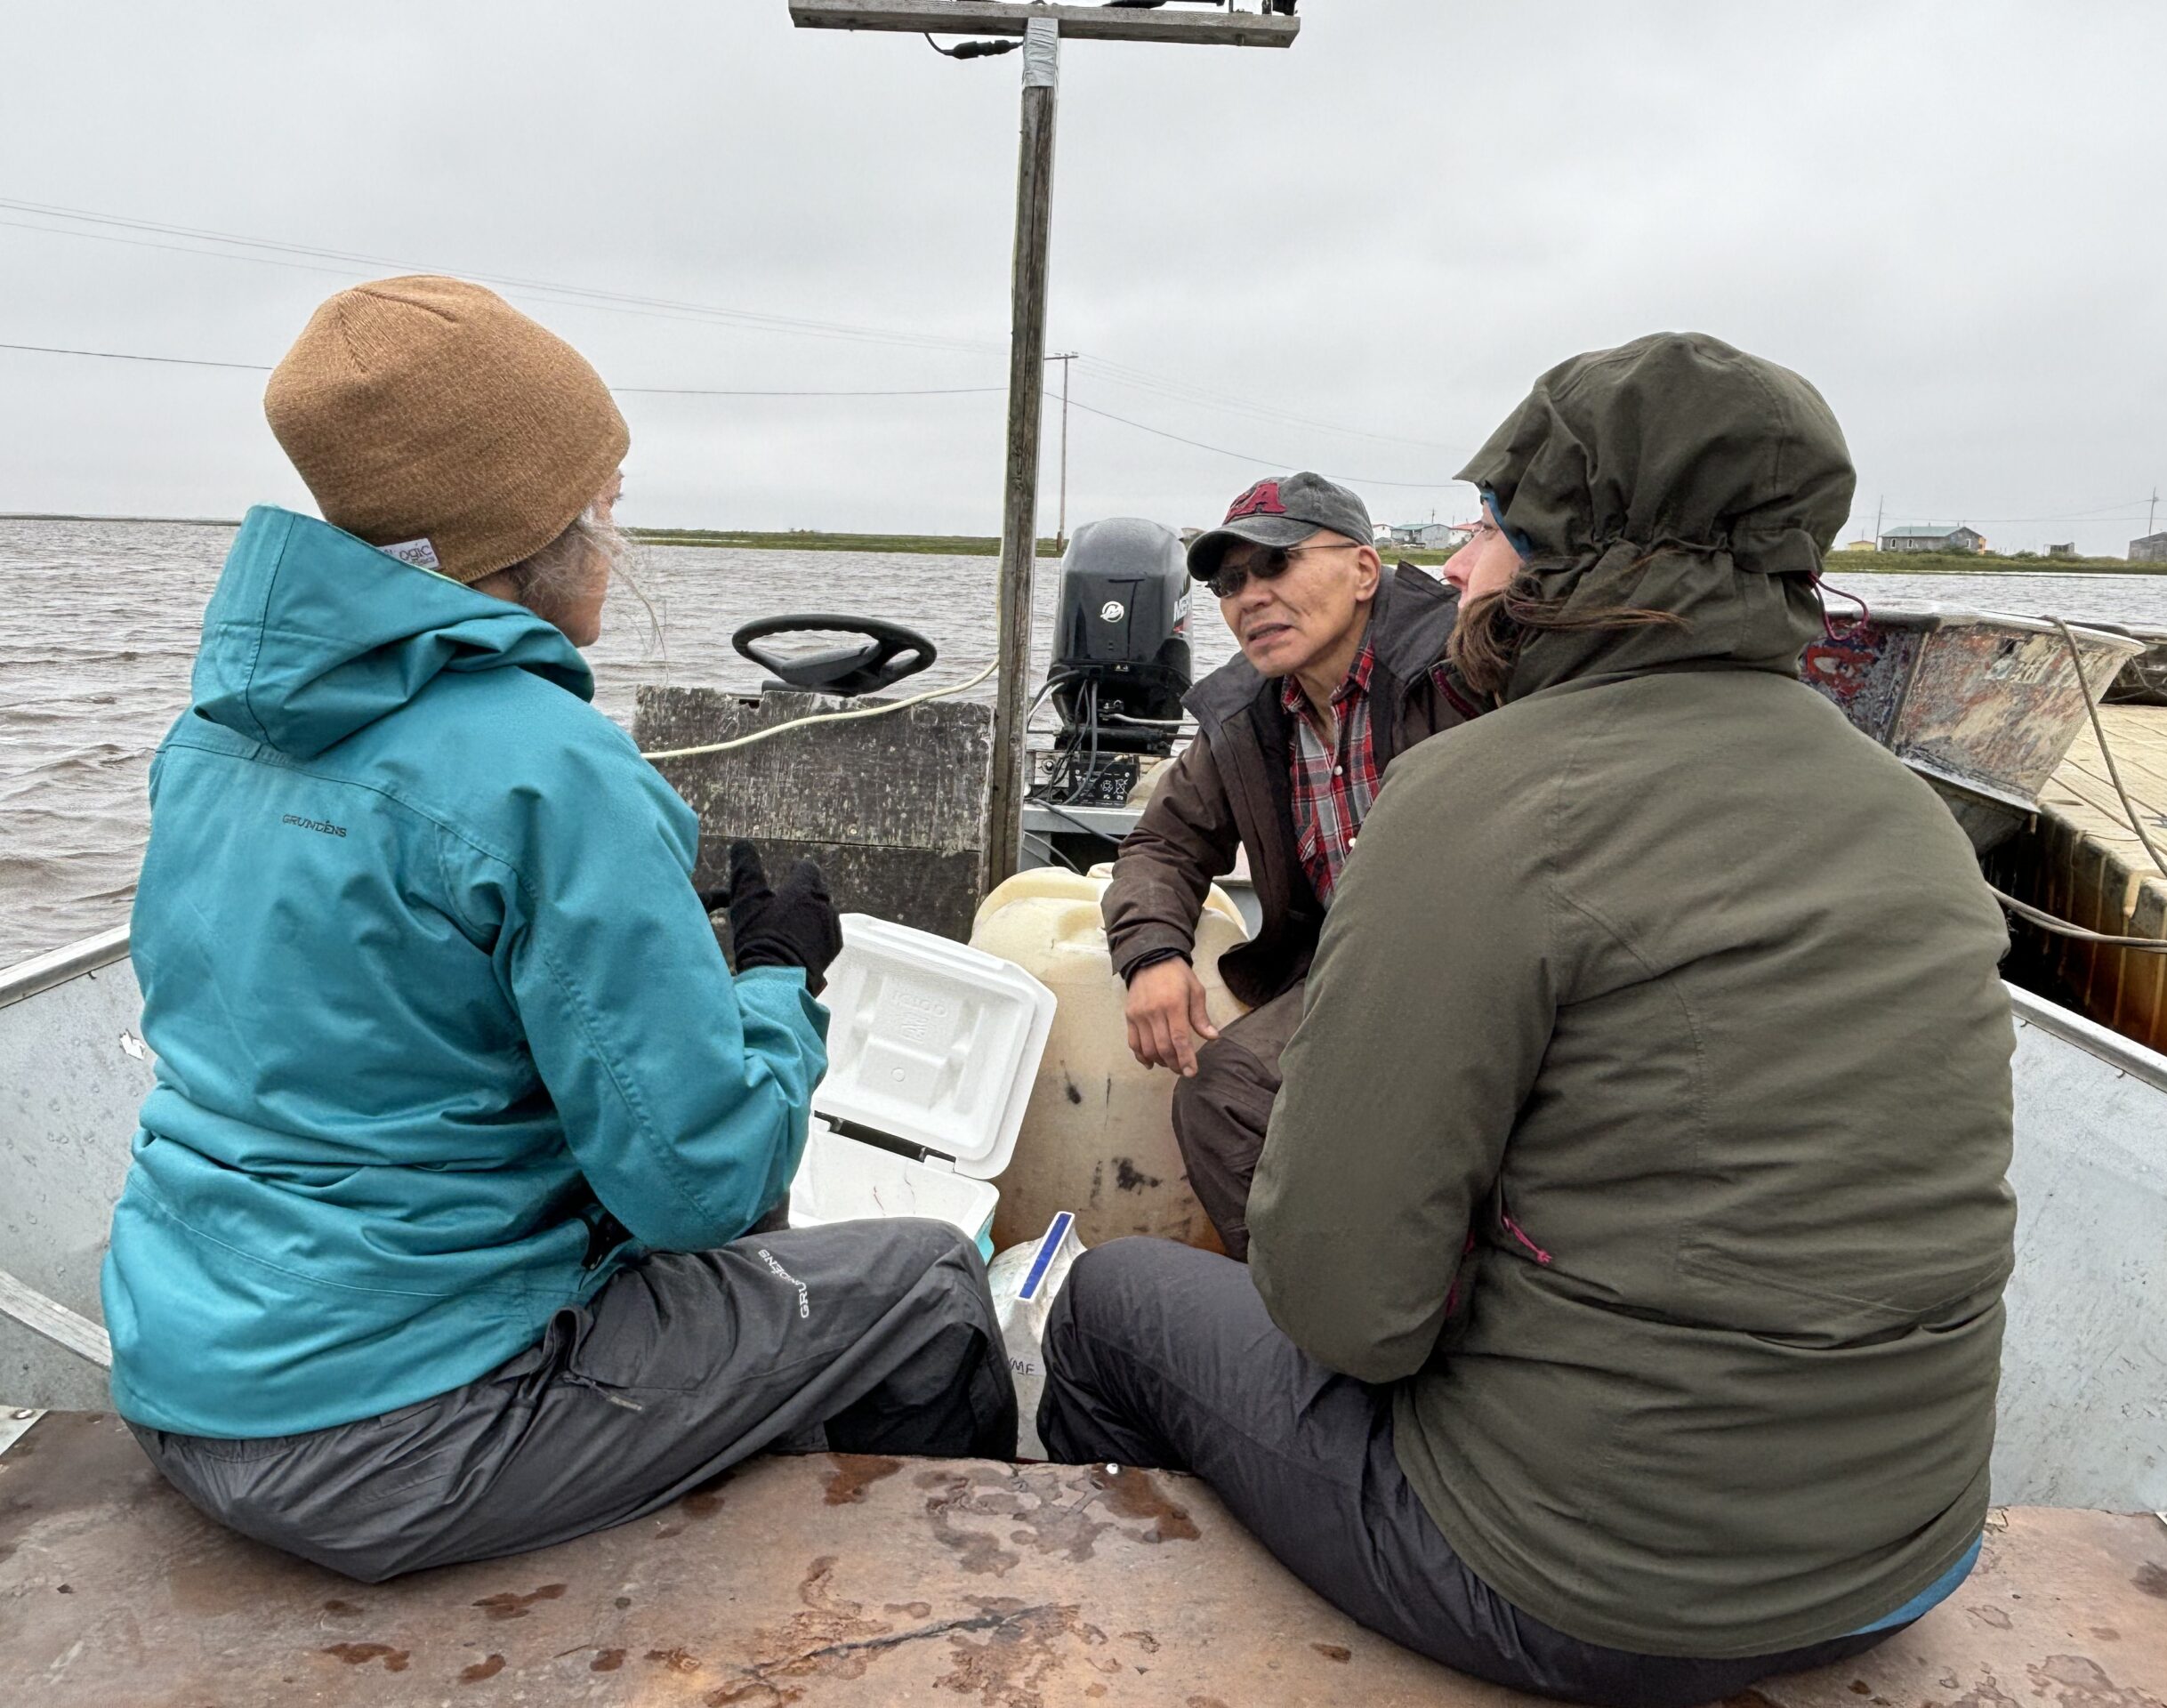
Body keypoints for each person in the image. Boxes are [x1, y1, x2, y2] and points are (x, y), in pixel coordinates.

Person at [1040, 333, 2017, 1707]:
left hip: (1589, 1586)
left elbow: (1347, 1320)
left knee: (1108, 1301)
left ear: (1563, 552)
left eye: (1493, 525)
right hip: (1910, 1553)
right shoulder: (1913, 821)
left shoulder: (1481, 786)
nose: (1464, 562)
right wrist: (1155, 949)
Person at [101, 276, 1014, 1583]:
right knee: (926, 1290)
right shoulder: (552, 772)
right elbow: (706, 1184)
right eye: (609, 495)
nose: (617, 529)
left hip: (183, 1374)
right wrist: (774, 979)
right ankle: (951, 1612)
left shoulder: (209, 741)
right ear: (537, 527)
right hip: (397, 1432)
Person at [1102, 471, 1474, 1259]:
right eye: (1230, 582)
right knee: (1221, 1095)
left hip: (1480, 965)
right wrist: (1153, 954)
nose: (1250, 597)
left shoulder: (1461, 665)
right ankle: (1309, 1307)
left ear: (1365, 571)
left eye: (1277, 564)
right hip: (1344, 975)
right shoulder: (1242, 716)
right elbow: (1162, 846)